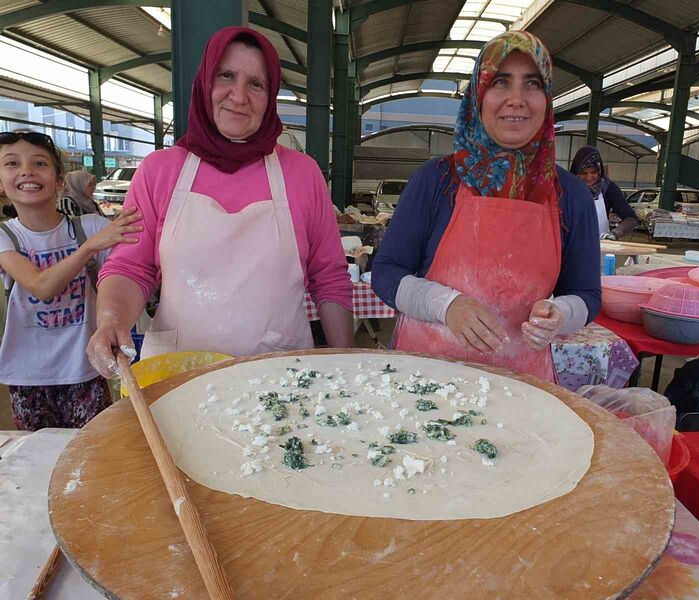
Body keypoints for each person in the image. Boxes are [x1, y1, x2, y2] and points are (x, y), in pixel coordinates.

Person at [87, 26, 353, 378]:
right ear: (205, 83)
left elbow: (329, 279)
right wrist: (111, 319)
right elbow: (130, 269)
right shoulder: (158, 172)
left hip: (280, 375)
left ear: (270, 95)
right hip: (178, 375)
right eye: (226, 76)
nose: (238, 96)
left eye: (256, 84)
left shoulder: (302, 174)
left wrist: (349, 363)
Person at [371, 31, 601, 383]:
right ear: (478, 95)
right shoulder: (436, 181)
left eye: (532, 84)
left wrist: (561, 313)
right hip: (423, 379)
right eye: (501, 83)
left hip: (521, 384)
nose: (516, 99)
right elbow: (386, 272)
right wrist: (446, 306)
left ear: (548, 99)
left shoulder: (571, 195)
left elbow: (586, 293)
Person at [0, 130, 142, 430]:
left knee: (91, 452)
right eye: (12, 164)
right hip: (28, 376)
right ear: (1, 184)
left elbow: (133, 257)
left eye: (39, 163)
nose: (26, 170)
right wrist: (89, 247)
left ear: (60, 181)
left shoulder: (91, 225)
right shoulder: (5, 236)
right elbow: (41, 286)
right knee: (41, 459)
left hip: (84, 371)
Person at [570, 145, 638, 240]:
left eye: (593, 172)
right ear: (576, 173)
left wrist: (615, 233)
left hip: (601, 246)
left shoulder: (608, 188)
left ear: (599, 171)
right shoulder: (567, 189)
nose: (589, 177)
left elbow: (631, 218)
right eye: (584, 173)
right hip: (571, 246)